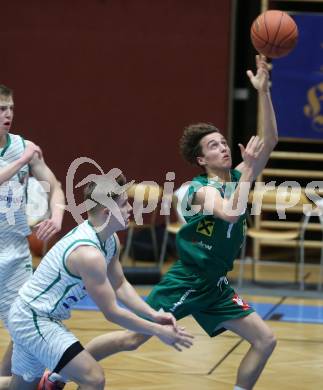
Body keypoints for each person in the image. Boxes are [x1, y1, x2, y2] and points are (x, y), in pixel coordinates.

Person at [41, 54, 278, 390]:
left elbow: (268, 141)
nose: (224, 147)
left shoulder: (238, 176)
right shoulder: (197, 191)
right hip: (187, 280)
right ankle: (58, 373)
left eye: (224, 142)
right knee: (131, 340)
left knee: (265, 340)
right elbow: (230, 212)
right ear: (201, 159)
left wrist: (264, 93)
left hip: (215, 284)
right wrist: (250, 170)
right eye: (214, 146)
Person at [6, 173, 193, 390]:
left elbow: (120, 285)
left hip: (31, 315)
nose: (130, 209)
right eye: (124, 205)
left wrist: (154, 315)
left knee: (19, 387)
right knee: (94, 378)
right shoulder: (88, 254)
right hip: (34, 318)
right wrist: (157, 330)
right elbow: (112, 312)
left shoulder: (109, 239)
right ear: (107, 212)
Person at [0, 84, 65, 378]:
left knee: (23, 328)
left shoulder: (23, 146)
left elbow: (55, 187)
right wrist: (24, 159)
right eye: (2, 109)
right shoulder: (24, 154)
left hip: (14, 253)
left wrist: (57, 215)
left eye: (11, 107)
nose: (8, 114)